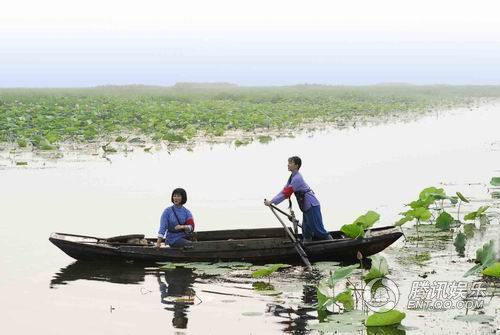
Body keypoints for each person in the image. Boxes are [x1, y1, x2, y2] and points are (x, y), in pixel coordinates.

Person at [264, 156, 333, 242]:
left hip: (311, 205)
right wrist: (272, 201)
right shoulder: (292, 177)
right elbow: (284, 190)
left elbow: (286, 193)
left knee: (318, 230)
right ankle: (306, 245)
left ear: (296, 165)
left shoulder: (297, 179)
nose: (288, 165)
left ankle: (332, 243)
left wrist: (272, 202)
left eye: (290, 163)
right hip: (306, 206)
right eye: (288, 163)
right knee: (306, 230)